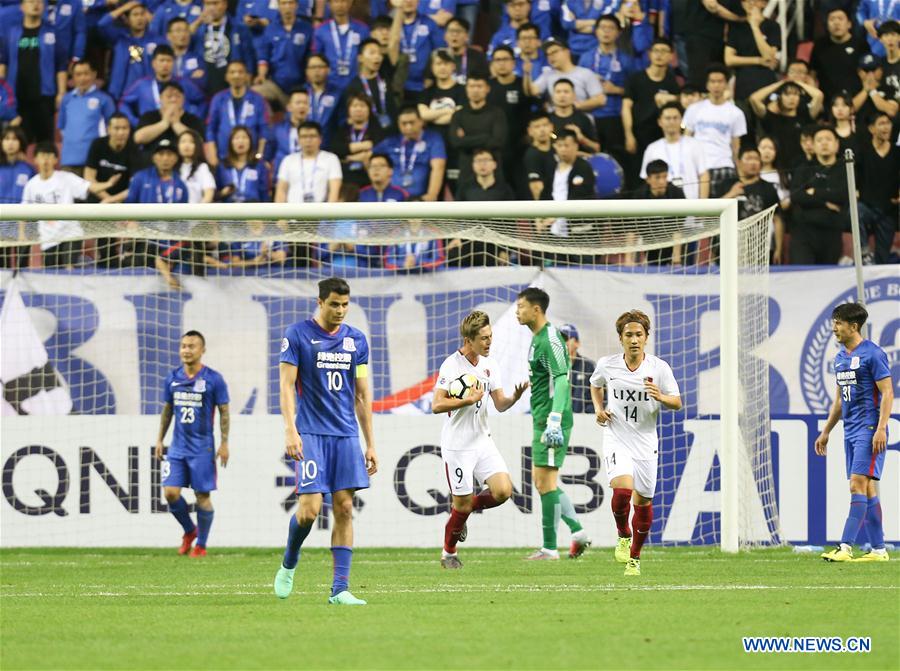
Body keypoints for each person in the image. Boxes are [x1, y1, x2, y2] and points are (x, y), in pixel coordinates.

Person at [273, 277, 378, 605]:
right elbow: (287, 386)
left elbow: (362, 395)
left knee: (345, 507)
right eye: (334, 304)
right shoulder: (298, 335)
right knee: (309, 511)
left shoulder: (356, 341)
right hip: (312, 434)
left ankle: (340, 590)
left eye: (345, 305)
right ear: (320, 302)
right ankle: (290, 560)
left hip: (346, 435)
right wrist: (290, 430)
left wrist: (370, 442)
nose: (341, 311)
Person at [589, 310, 681, 576]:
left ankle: (635, 558)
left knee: (643, 503)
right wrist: (599, 408)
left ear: (646, 338)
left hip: (645, 442)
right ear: (620, 338)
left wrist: (661, 397)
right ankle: (623, 534)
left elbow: (677, 402)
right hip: (617, 435)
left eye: (639, 335)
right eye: (628, 335)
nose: (634, 339)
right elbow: (595, 384)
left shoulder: (659, 368)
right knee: (622, 493)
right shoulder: (608, 365)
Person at [434, 311, 528, 568]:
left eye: (490, 337)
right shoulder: (451, 366)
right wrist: (467, 400)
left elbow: (499, 404)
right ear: (469, 339)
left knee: (503, 491)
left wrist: (514, 398)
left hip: (482, 441)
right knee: (462, 506)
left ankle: (459, 515)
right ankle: (449, 553)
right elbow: (436, 404)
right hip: (458, 446)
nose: (489, 343)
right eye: (484, 338)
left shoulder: (491, 365)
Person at [515, 287, 590, 561]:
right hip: (542, 418)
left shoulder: (550, 339)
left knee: (545, 483)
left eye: (521, 306)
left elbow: (561, 379)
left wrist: (555, 420)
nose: (517, 311)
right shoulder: (537, 338)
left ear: (536, 309)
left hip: (550, 421)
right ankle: (578, 532)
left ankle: (549, 548)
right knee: (542, 480)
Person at [816, 303, 893, 562]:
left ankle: (845, 547)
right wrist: (826, 431)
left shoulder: (873, 354)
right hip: (850, 430)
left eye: (838, 322)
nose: (834, 327)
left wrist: (881, 428)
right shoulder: (840, 358)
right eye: (834, 322)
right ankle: (879, 550)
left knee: (856, 484)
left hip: (870, 429)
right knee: (867, 488)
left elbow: (888, 393)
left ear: (853, 326)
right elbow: (839, 402)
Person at [154, 330, 230, 557]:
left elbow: (224, 412)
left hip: (202, 448)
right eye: (183, 346)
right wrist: (159, 438)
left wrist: (224, 443)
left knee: (202, 497)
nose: (186, 350)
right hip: (177, 447)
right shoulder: (173, 378)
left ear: (202, 350)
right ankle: (190, 530)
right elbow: (168, 410)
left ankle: (201, 545)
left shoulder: (214, 379)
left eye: (192, 346)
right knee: (170, 493)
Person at [21, 142, 120, 269]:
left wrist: (108, 184)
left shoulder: (66, 178)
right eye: (42, 156)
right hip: (48, 239)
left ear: (56, 159)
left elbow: (89, 187)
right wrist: (22, 234)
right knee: (52, 274)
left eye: (49, 156)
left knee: (69, 268)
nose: (45, 159)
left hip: (70, 234)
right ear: (35, 159)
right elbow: (23, 212)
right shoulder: (31, 185)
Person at [578, 15, 640, 167]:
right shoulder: (585, 59)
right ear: (596, 32)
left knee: (618, 159)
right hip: (591, 117)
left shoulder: (626, 60)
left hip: (615, 117)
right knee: (592, 159)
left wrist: (616, 90)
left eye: (611, 28)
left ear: (618, 33)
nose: (606, 32)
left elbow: (636, 90)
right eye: (602, 28)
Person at [2, 0, 67, 145]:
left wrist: (61, 92)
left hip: (44, 98)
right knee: (19, 143)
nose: (35, 5)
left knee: (45, 144)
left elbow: (61, 65)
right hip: (17, 99)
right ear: (22, 7)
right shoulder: (11, 32)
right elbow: (4, 62)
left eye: (39, 2)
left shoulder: (52, 32)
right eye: (31, 2)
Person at [683, 64, 747, 197]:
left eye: (720, 81)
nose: (716, 85)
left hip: (724, 166)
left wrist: (740, 174)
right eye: (712, 81)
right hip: (698, 167)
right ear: (707, 85)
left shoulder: (736, 113)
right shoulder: (694, 109)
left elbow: (736, 148)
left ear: (726, 84)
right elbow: (686, 139)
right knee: (698, 213)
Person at [788, 125, 848, 265]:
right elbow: (796, 196)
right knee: (802, 278)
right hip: (804, 234)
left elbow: (843, 195)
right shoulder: (803, 169)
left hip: (832, 233)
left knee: (829, 282)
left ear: (837, 144)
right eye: (819, 140)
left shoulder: (845, 170)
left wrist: (814, 192)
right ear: (813, 146)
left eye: (828, 139)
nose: (824, 143)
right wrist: (825, 203)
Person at [622, 37, 679, 182]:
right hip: (639, 134)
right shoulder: (636, 78)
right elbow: (626, 107)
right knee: (637, 176)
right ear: (649, 54)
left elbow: (680, 102)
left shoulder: (672, 81)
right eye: (656, 51)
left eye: (664, 51)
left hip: (661, 136)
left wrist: (672, 98)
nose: (659, 55)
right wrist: (629, 135)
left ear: (671, 56)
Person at [720, 146, 783, 263]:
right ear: (738, 162)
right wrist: (731, 194)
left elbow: (777, 219)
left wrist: (778, 249)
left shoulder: (768, 188)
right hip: (730, 245)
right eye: (748, 159)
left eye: (756, 159)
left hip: (760, 246)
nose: (753, 163)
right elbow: (714, 212)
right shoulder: (727, 184)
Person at [118, 44, 207, 127]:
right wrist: (136, 122)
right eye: (161, 60)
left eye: (168, 60)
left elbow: (203, 101)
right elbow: (123, 103)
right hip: (150, 131)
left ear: (173, 63)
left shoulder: (185, 84)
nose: (165, 64)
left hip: (178, 130)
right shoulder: (142, 85)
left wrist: (194, 120)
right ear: (154, 63)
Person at [205, 61, 269, 168]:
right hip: (224, 159)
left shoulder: (257, 99)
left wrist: (259, 156)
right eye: (232, 72)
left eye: (240, 72)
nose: (236, 75)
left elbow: (264, 130)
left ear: (247, 76)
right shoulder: (218, 99)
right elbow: (211, 128)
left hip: (250, 160)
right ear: (226, 77)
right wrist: (213, 156)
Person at [373, 106, 446, 200]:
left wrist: (432, 195)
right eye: (404, 123)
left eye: (412, 122)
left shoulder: (433, 139)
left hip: (419, 198)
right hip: (393, 197)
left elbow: (438, 167)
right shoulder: (391, 141)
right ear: (398, 124)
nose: (408, 127)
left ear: (421, 121)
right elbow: (369, 156)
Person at [748, 79, 824, 168]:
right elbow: (754, 98)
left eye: (795, 94)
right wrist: (781, 84)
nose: (792, 98)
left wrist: (796, 82)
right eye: (787, 94)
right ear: (780, 97)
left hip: (801, 166)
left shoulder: (805, 116)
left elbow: (819, 95)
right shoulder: (771, 118)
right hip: (778, 167)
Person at [640, 102, 709, 200]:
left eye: (675, 118)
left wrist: (703, 206)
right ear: (660, 122)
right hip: (663, 207)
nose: (672, 121)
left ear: (681, 120)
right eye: (668, 118)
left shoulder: (695, 144)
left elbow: (703, 175)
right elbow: (647, 178)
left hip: (693, 206)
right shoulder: (652, 148)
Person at [449, 74, 508, 187]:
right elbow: (456, 142)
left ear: (487, 89)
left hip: (493, 173)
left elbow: (498, 142)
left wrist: (466, 139)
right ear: (466, 89)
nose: (475, 90)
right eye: (471, 86)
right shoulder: (458, 115)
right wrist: (486, 137)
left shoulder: (497, 113)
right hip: (466, 170)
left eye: (479, 86)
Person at [58, 62, 116, 173]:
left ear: (94, 75)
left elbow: (112, 129)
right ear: (73, 77)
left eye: (86, 73)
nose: (82, 78)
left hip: (94, 162)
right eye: (78, 74)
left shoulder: (105, 100)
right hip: (68, 161)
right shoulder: (66, 99)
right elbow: (62, 128)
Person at [857, 112, 900, 264]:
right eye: (881, 123)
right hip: (867, 207)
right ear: (871, 129)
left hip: (888, 210)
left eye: (888, 123)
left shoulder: (897, 153)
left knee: (882, 260)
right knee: (856, 211)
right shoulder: (862, 152)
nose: (886, 127)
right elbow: (854, 178)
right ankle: (864, 253)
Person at [98, 0, 162, 101]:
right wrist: (123, 9)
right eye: (135, 15)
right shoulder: (119, 38)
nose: (139, 18)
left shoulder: (156, 40)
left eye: (142, 14)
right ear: (127, 19)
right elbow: (102, 24)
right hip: (122, 94)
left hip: (149, 94)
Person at [254, 0, 313, 106]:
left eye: (290, 3)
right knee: (254, 94)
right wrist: (261, 75)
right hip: (275, 85)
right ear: (279, 6)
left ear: (296, 5)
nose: (287, 7)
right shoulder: (270, 29)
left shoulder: (307, 28)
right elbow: (263, 57)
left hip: (301, 85)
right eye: (284, 3)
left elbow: (311, 56)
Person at [191, 0, 257, 95]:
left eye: (215, 3)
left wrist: (249, 75)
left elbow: (248, 55)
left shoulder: (239, 27)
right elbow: (181, 42)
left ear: (225, 4)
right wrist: (198, 22)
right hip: (205, 82)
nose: (211, 8)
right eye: (208, 4)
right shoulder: (198, 28)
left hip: (231, 82)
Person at [524, 38, 606, 113]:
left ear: (567, 52)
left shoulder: (585, 73)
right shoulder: (548, 75)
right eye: (547, 54)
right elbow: (531, 91)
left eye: (554, 52)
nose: (550, 57)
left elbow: (601, 100)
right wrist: (527, 74)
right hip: (556, 123)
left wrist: (573, 106)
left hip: (581, 121)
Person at [387, 0, 445, 101]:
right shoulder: (390, 24)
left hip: (424, 85)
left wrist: (431, 76)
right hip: (397, 85)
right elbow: (390, 48)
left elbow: (439, 52)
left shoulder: (429, 23)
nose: (409, 1)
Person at [810, 8, 869, 103]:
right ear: (827, 25)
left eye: (840, 19)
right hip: (828, 102)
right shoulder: (820, 45)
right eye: (832, 19)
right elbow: (813, 73)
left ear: (849, 24)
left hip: (856, 100)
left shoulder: (861, 45)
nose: (836, 23)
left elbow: (868, 74)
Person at [275, 121, 342, 203]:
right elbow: (281, 191)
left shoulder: (331, 159)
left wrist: (329, 214)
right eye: (304, 136)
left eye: (312, 136)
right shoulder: (288, 160)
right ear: (298, 139)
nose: (308, 140)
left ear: (320, 139)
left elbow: (334, 191)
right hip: (293, 212)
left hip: (321, 212)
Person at [341, 38, 398, 132]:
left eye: (380, 53)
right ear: (360, 58)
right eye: (372, 53)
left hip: (392, 131)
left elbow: (394, 45)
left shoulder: (387, 76)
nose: (377, 57)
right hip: (369, 135)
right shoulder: (353, 86)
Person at [312, 0, 370, 92]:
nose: (340, 5)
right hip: (329, 86)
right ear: (329, 4)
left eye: (343, 1)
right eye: (336, 1)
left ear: (350, 3)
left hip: (357, 84)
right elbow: (316, 59)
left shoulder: (363, 29)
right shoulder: (321, 31)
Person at [133, 82, 206, 155]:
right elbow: (138, 138)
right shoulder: (149, 116)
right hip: (151, 160)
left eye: (177, 96)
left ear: (183, 99)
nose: (173, 100)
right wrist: (164, 123)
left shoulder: (193, 119)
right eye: (169, 96)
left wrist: (176, 124)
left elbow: (199, 142)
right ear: (161, 98)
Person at [332, 94, 385, 187]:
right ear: (348, 110)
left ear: (369, 109)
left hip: (368, 175)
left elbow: (378, 150)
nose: (358, 109)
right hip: (345, 176)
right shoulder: (343, 129)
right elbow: (336, 148)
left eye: (362, 106)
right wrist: (362, 147)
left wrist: (348, 157)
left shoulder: (377, 128)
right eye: (355, 106)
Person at [0, 126, 34, 269]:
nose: (10, 143)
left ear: (21, 142)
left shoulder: (28, 169)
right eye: (7, 139)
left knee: (23, 269)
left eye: (14, 139)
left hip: (23, 226)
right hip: (1, 225)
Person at [217, 125, 272, 202]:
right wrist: (222, 193)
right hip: (228, 209)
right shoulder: (222, 166)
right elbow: (215, 194)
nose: (241, 141)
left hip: (253, 209)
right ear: (231, 142)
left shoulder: (259, 165)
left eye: (244, 137)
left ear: (250, 141)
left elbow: (264, 194)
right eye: (236, 138)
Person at [548, 78, 600, 155]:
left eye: (566, 92)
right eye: (558, 92)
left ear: (574, 96)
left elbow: (596, 148)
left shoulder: (583, 119)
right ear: (552, 96)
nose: (562, 95)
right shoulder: (547, 120)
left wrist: (581, 138)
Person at [852, 54, 900, 128]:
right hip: (860, 134)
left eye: (873, 70)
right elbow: (850, 110)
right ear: (859, 72)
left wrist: (872, 91)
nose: (870, 74)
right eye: (866, 70)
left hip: (886, 133)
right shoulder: (854, 89)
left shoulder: (889, 88)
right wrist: (865, 90)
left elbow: (892, 111)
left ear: (881, 70)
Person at [268, 88, 310, 173]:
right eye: (298, 103)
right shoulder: (277, 130)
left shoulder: (315, 132)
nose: (302, 106)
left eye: (305, 103)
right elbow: (268, 155)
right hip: (282, 179)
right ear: (289, 107)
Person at [559, 323, 595, 414]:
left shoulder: (588, 367)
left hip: (584, 421)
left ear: (577, 343)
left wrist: (587, 415)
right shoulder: (553, 366)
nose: (563, 342)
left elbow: (601, 395)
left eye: (566, 338)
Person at [444, 17, 488, 85]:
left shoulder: (478, 57)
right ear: (445, 36)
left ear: (467, 36)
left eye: (458, 31)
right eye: (451, 31)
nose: (454, 35)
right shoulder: (438, 57)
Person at [177, 129, 217, 203]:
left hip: (196, 212)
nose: (186, 145)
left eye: (191, 142)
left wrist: (198, 211)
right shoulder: (173, 168)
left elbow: (208, 194)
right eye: (183, 141)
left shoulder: (202, 167)